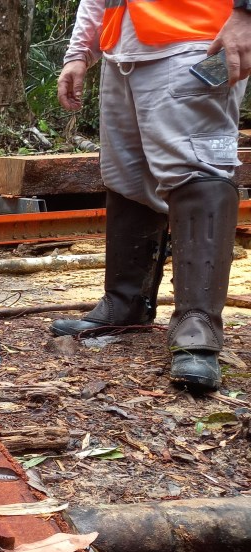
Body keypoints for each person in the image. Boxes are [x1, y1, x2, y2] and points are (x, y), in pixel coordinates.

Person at [51, 0, 251, 393]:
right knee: (127, 177)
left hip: (196, 42)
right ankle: (126, 303)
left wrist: (246, 16)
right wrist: (80, 53)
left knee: (197, 170)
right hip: (121, 53)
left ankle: (198, 328)